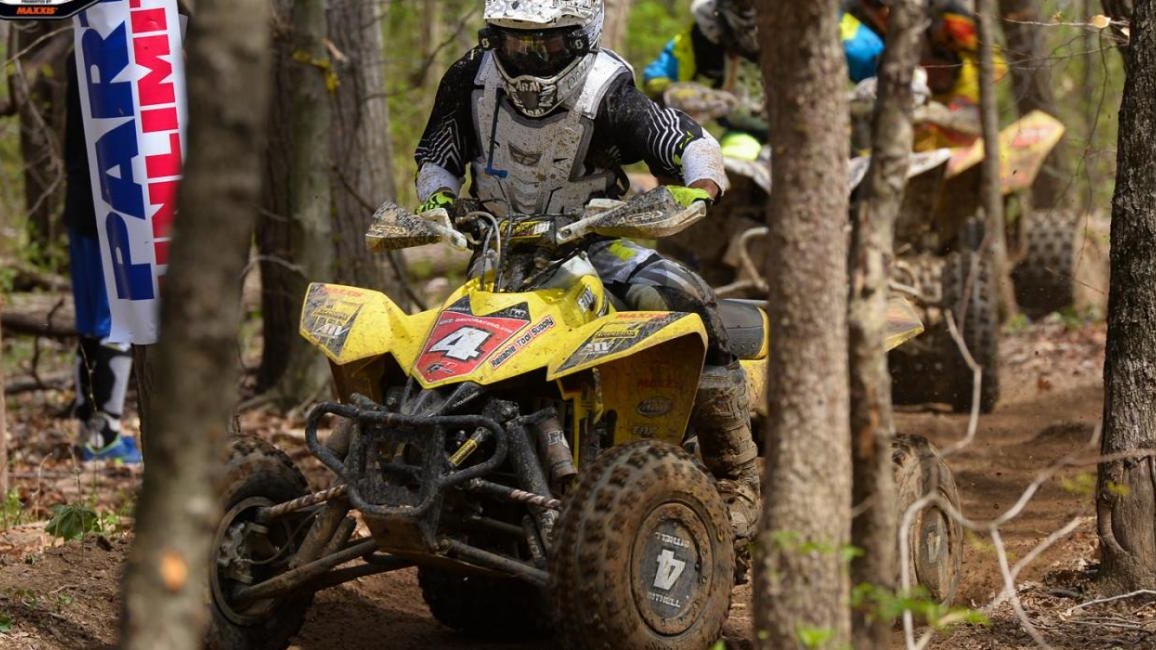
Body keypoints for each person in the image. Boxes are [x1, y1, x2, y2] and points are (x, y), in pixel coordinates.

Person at [414, 0, 760, 560]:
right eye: (513, 42)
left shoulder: (609, 89)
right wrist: (439, 198)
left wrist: (699, 187)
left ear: (581, 39)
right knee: (440, 350)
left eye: (545, 45)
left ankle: (737, 476)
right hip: (499, 249)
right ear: (492, 37)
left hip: (593, 241)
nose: (527, 60)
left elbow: (689, 142)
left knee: (686, 297)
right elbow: (438, 150)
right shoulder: (468, 79)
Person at [641, 0, 884, 159]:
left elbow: (883, 64)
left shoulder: (827, 21)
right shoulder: (708, 29)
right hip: (746, 134)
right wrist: (693, 97)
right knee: (728, 168)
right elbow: (657, 78)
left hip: (822, 133)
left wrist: (865, 94)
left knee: (858, 166)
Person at [62, 50, 141, 464]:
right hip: (115, 207)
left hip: (82, 202)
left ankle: (90, 433)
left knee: (94, 324)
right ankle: (106, 432)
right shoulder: (120, 42)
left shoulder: (82, 42)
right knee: (114, 324)